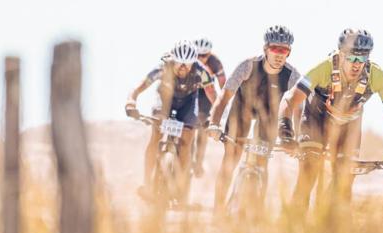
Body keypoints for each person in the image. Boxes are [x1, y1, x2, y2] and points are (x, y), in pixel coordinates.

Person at [281, 28, 383, 214]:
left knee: (343, 182)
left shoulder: (377, 76)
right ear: (341, 55)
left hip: (349, 126)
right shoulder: (324, 68)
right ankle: (292, 224)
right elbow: (289, 100)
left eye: (362, 58)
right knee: (309, 171)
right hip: (316, 119)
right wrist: (284, 129)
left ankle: (331, 223)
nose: (357, 64)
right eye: (352, 57)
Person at [206, 26, 300, 215]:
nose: (279, 54)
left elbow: (298, 110)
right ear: (266, 49)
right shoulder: (247, 66)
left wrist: (295, 138)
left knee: (261, 163)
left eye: (284, 50)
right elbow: (224, 97)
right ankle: (218, 209)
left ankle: (257, 212)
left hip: (269, 116)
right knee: (230, 159)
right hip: (242, 111)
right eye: (275, 48)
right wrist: (214, 124)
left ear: (289, 53)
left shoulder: (292, 76)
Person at [125, 40, 217, 197]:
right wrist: (130, 103)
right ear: (173, 60)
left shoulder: (201, 72)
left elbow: (213, 95)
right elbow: (138, 88)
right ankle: (147, 183)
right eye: (179, 63)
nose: (183, 67)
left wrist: (217, 118)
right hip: (165, 100)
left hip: (188, 103)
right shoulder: (163, 67)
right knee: (156, 135)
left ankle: (180, 185)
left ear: (194, 62)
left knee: (187, 140)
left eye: (187, 64)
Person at [189, 37, 227, 177]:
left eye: (204, 55)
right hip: (191, 91)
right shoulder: (189, 60)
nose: (200, 58)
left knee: (203, 128)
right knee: (189, 126)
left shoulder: (215, 62)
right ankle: (187, 157)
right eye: (197, 55)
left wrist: (223, 103)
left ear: (209, 54)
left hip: (206, 94)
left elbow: (223, 83)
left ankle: (198, 162)